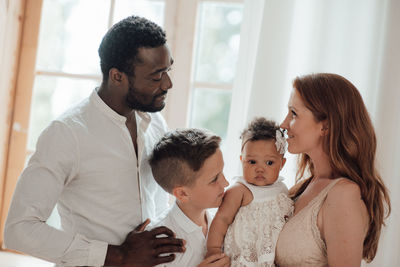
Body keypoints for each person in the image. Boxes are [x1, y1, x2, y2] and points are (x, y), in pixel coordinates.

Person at [4, 16, 185, 267]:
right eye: (156, 77)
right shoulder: (67, 134)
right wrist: (118, 255)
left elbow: (158, 203)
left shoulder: (155, 123)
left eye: (168, 70)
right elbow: (19, 230)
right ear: (117, 76)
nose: (168, 84)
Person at [275, 73, 391, 267]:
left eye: (293, 113)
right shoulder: (303, 187)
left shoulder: (343, 195)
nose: (283, 124)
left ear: (326, 125)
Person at [206, 117, 294, 266]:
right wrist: (213, 249)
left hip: (269, 258)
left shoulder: (282, 190)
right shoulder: (239, 190)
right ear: (242, 160)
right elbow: (222, 219)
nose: (260, 168)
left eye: (269, 163)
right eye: (252, 162)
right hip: (243, 257)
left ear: (282, 164)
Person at [149, 128, 230, 267]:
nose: (226, 183)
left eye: (222, 172)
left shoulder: (225, 219)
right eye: (214, 179)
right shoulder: (159, 244)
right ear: (182, 194)